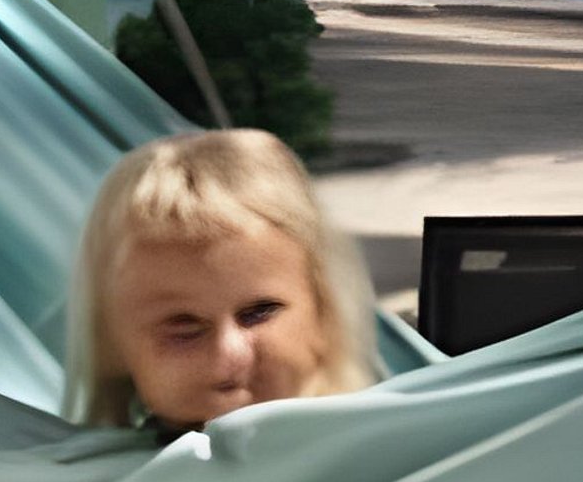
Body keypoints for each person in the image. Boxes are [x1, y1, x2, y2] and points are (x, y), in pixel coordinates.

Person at [65, 130, 380, 434]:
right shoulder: (82, 470)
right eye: (183, 326)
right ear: (115, 346)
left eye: (259, 312)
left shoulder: (387, 451)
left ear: (323, 310)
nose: (228, 355)